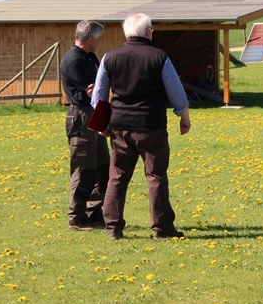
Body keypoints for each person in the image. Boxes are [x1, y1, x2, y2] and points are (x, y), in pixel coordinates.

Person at [91, 13, 191, 240]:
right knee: (155, 176)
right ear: (147, 32)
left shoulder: (110, 57)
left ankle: (113, 228)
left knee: (117, 177)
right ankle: (161, 228)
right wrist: (183, 115)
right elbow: (175, 91)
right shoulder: (159, 57)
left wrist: (100, 124)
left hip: (120, 126)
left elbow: (99, 96)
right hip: (151, 125)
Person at [60, 20, 110, 231]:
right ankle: (76, 216)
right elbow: (91, 90)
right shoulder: (74, 60)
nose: (100, 42)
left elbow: (97, 90)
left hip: (95, 114)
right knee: (84, 169)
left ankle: (96, 213)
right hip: (82, 117)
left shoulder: (90, 57)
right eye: (99, 38)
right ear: (90, 38)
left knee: (102, 167)